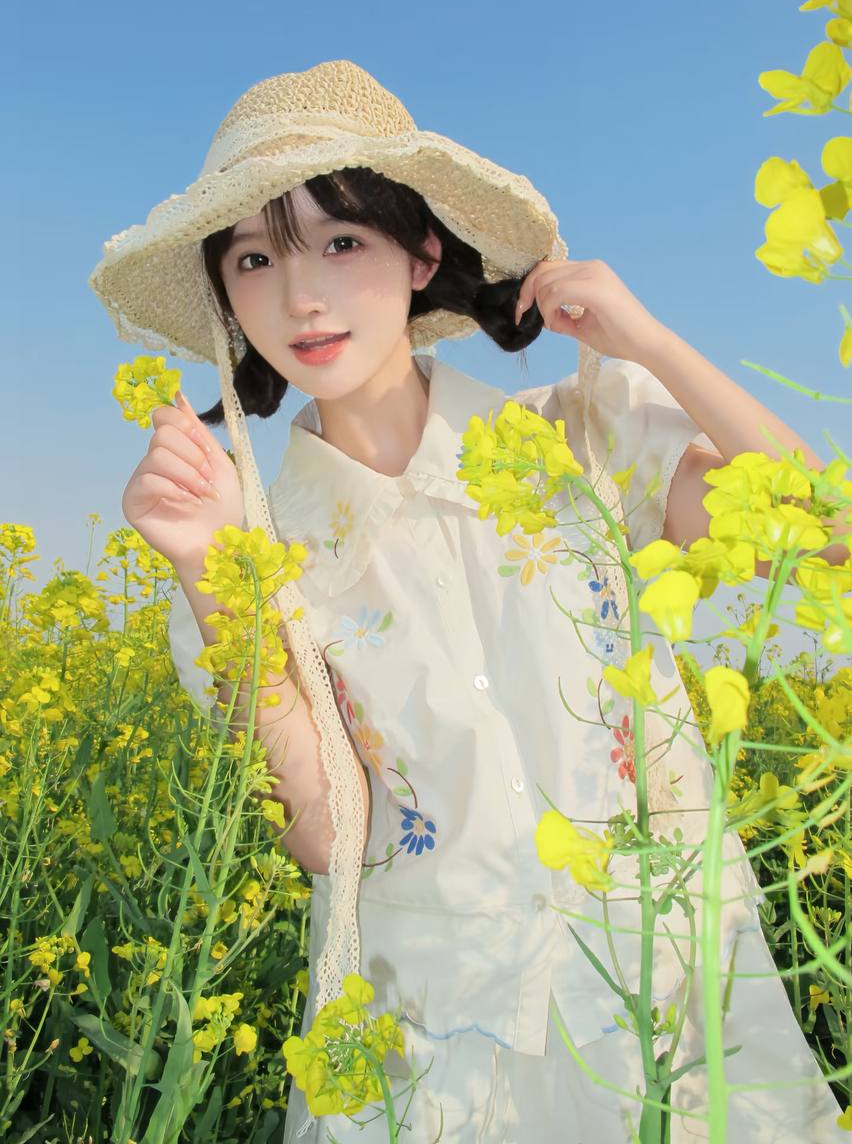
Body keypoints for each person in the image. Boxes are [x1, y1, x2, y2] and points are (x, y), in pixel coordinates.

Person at [89, 60, 844, 1142]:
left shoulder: (582, 435)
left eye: (342, 242)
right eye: (254, 258)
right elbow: (324, 833)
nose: (301, 298)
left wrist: (652, 344)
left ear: (422, 254)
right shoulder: (246, 549)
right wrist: (214, 575)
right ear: (226, 296)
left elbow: (824, 537)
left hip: (670, 999)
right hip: (429, 1054)